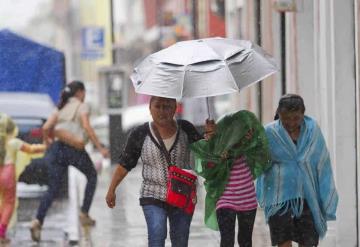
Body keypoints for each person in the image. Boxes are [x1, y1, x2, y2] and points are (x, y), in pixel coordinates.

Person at [105, 96, 215, 247]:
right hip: (152, 194)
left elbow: (205, 154)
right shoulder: (140, 133)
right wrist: (112, 189)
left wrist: (211, 137)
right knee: (157, 232)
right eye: (158, 106)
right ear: (150, 108)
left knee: (180, 240)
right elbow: (125, 164)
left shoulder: (186, 129)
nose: (162, 111)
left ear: (175, 108)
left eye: (167, 106)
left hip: (182, 194)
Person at [30, 80, 109, 242]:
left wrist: (47, 142)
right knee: (92, 176)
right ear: (79, 92)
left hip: (57, 149)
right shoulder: (81, 106)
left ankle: (38, 221)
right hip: (75, 150)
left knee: (53, 188)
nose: (84, 96)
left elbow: (46, 128)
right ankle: (84, 213)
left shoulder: (60, 108)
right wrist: (100, 147)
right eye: (84, 93)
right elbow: (87, 127)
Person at [256, 94, 338, 247]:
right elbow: (260, 164)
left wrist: (326, 196)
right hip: (278, 198)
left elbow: (322, 163)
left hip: (308, 196)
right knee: (283, 242)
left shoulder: (312, 131)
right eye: (286, 119)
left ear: (303, 114)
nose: (291, 123)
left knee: (308, 242)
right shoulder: (269, 133)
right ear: (279, 115)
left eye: (296, 118)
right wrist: (254, 146)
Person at [190, 110, 271, 247]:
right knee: (227, 240)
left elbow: (262, 151)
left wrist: (249, 138)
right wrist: (211, 141)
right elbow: (207, 167)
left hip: (248, 199)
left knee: (245, 241)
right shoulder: (217, 145)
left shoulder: (248, 145)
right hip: (225, 199)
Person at [0, 113, 46, 244]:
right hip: (8, 174)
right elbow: (31, 149)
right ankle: (1, 232)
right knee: (9, 203)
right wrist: (46, 147)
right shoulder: (14, 142)